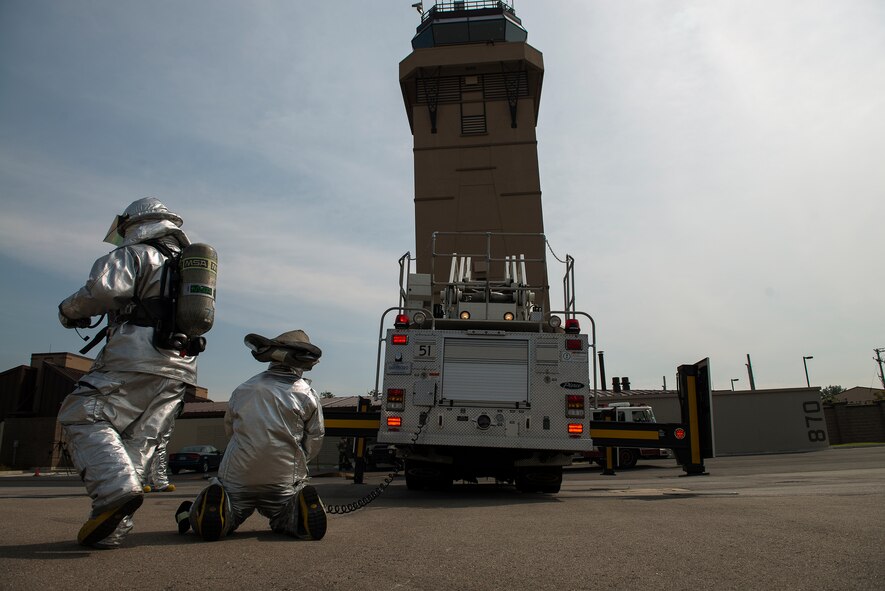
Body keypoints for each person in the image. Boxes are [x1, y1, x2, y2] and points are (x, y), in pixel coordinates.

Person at [57, 197, 198, 548]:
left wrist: (68, 309)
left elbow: (103, 290)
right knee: (139, 441)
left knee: (82, 412)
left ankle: (113, 491)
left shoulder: (135, 255)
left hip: (134, 355)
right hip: (180, 365)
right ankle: (110, 527)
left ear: (135, 224)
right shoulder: (186, 267)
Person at [176, 330, 327, 542]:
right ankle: (297, 513)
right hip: (283, 476)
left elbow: (230, 430)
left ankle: (213, 511)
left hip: (239, 474)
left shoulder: (243, 388)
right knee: (282, 513)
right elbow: (315, 437)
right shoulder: (307, 393)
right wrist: (299, 462)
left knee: (232, 511)